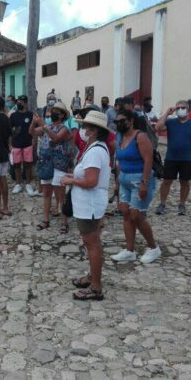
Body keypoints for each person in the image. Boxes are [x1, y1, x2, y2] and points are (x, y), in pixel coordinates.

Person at [61, 111, 111, 301]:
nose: (81, 130)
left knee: (92, 244)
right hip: (88, 204)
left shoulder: (96, 151)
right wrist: (73, 177)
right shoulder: (95, 148)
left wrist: (71, 181)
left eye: (84, 127)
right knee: (92, 242)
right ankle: (92, 276)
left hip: (89, 204)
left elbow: (91, 181)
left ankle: (96, 286)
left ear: (93, 131)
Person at [110, 110, 161, 264]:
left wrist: (144, 183)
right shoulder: (121, 138)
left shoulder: (140, 137)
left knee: (136, 215)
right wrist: (117, 183)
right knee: (125, 213)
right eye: (117, 121)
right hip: (125, 179)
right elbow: (119, 163)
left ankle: (153, 248)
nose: (119, 124)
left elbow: (148, 160)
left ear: (131, 121)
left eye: (122, 121)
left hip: (139, 179)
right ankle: (129, 250)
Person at [155, 100, 191, 215]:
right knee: (167, 181)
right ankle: (162, 203)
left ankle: (182, 204)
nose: (180, 110)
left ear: (188, 110)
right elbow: (158, 127)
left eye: (183, 108)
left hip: (187, 159)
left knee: (185, 182)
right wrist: (167, 113)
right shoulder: (170, 122)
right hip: (171, 158)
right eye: (178, 108)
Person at [30, 102, 72, 234]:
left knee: (61, 194)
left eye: (57, 111)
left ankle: (64, 222)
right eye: (53, 110)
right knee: (47, 193)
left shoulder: (64, 129)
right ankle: (46, 219)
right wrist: (34, 122)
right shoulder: (46, 126)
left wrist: (42, 124)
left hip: (59, 164)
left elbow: (56, 138)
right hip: (46, 163)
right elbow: (31, 132)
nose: (54, 113)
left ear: (63, 115)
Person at [10, 95, 39, 197]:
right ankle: (18, 184)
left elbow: (35, 130)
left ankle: (28, 184)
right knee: (17, 165)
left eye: (21, 102)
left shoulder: (31, 115)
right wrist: (10, 144)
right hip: (16, 144)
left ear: (26, 103)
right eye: (18, 102)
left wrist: (35, 141)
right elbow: (10, 131)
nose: (19, 103)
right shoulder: (13, 115)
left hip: (28, 143)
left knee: (28, 165)